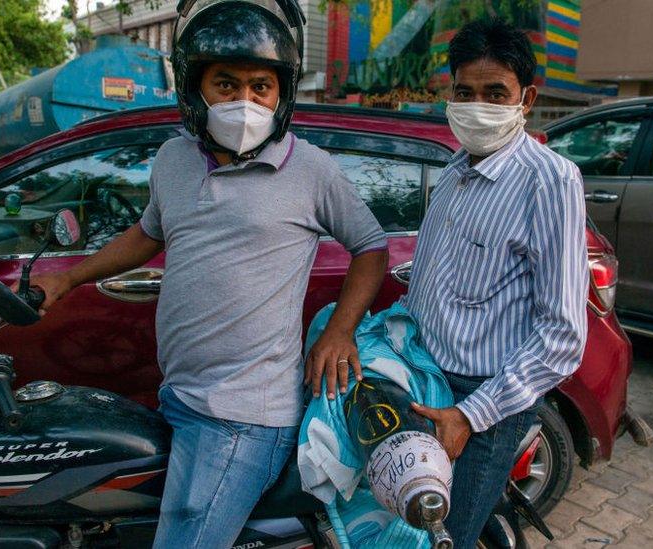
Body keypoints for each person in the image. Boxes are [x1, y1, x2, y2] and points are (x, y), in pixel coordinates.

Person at [29, 1, 390, 546]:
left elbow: (371, 245)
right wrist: (69, 277)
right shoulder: (175, 158)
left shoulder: (309, 169)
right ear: (196, 89)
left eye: (260, 86)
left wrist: (340, 329)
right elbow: (149, 234)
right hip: (180, 394)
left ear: (281, 94)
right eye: (226, 84)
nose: (244, 101)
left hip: (243, 419)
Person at [403, 17, 588, 548]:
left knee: (444, 537)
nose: (477, 104)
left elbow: (563, 336)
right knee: (406, 525)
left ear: (526, 98)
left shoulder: (549, 180)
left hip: (481, 401)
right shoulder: (455, 169)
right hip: (425, 378)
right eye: (465, 91)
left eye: (494, 92)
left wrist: (470, 414)